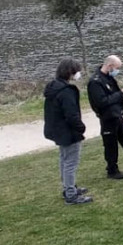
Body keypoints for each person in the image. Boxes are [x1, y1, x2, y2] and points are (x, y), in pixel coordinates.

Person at [44, 58, 92, 205]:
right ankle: (71, 195)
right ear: (70, 72)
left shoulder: (53, 87)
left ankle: (68, 187)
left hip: (57, 130)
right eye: (77, 71)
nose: (78, 74)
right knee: (71, 162)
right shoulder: (67, 92)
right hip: (68, 131)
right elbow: (71, 114)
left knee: (64, 160)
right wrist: (81, 127)